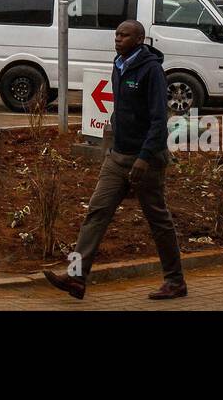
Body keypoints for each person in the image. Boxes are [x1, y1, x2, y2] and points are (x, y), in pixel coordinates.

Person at [44, 19, 186, 301]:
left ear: (140, 39)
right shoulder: (119, 64)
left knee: (158, 220)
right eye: (117, 34)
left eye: (125, 35)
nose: (118, 39)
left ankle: (175, 281)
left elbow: (160, 119)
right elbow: (120, 110)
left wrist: (144, 158)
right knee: (96, 213)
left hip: (146, 161)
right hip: (117, 158)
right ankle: (76, 278)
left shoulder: (152, 70)